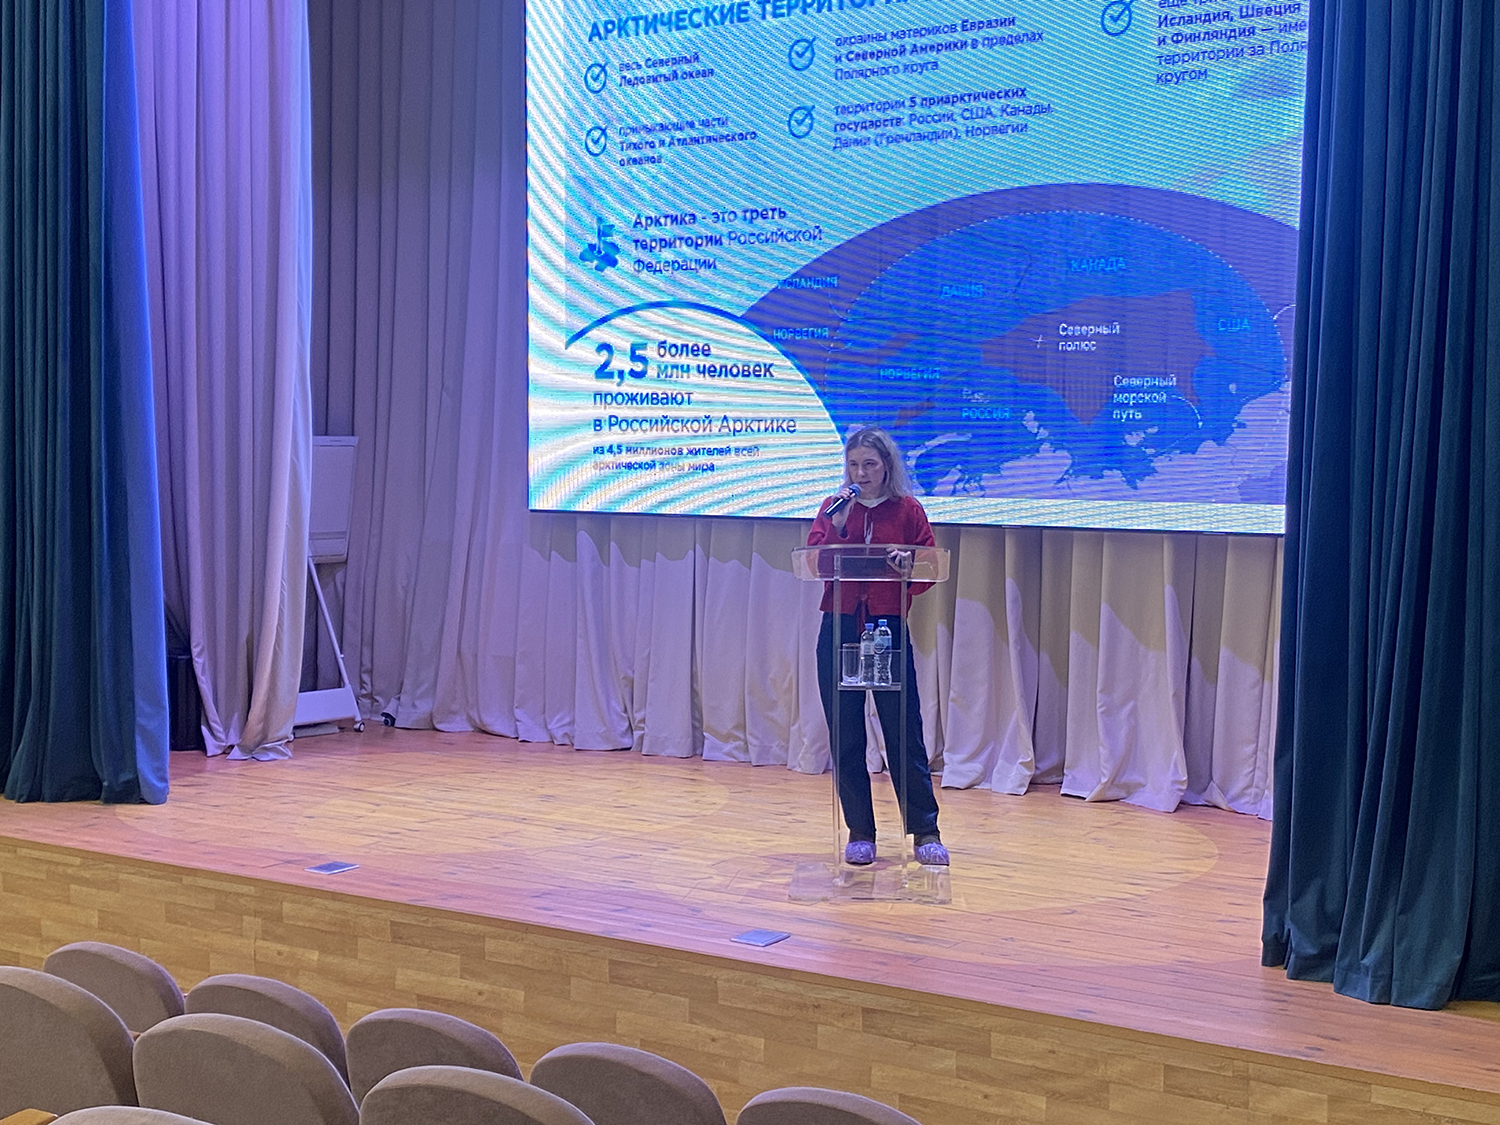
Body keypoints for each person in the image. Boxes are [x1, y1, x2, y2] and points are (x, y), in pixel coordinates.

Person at [806, 426, 948, 867]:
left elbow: (928, 566)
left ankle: (925, 831)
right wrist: (838, 527)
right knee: (846, 733)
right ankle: (860, 832)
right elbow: (814, 561)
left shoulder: (907, 509)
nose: (861, 473)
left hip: (885, 628)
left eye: (869, 464)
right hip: (840, 626)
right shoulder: (833, 508)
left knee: (903, 732)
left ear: (887, 465)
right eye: (853, 465)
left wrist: (909, 565)